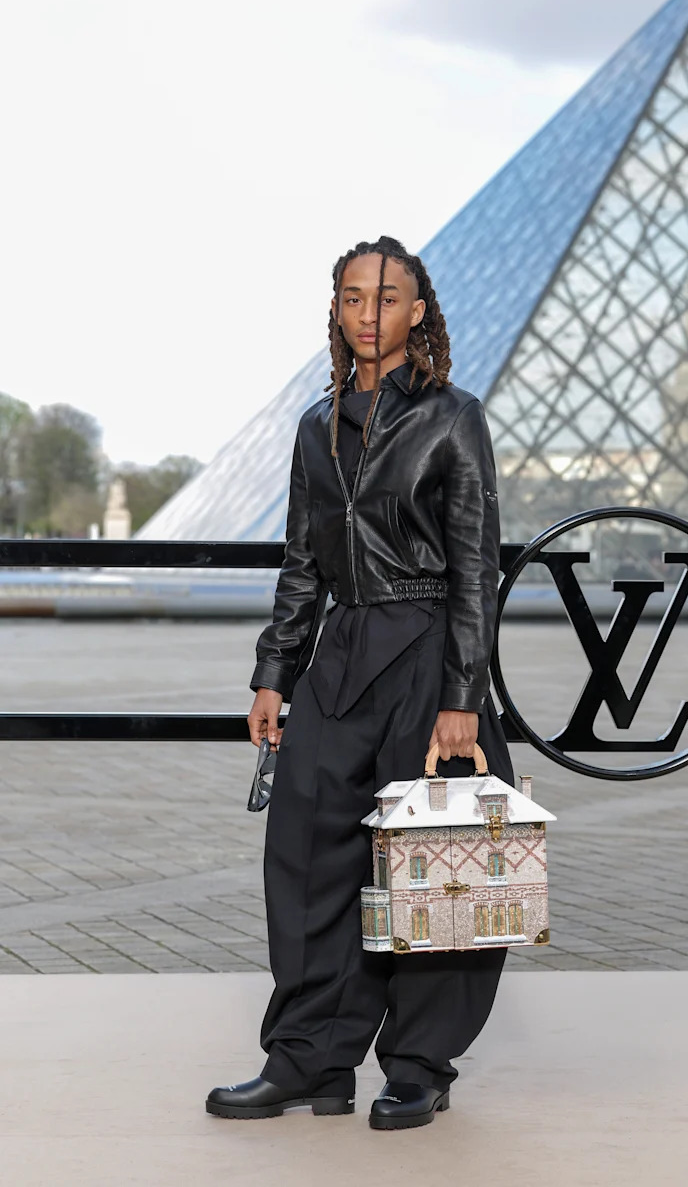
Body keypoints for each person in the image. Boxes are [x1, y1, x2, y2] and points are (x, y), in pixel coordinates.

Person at [205, 235, 515, 1131]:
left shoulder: (454, 417)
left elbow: (476, 566)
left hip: (426, 650)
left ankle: (419, 1064)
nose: (367, 313)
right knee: (306, 855)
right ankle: (308, 1057)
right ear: (335, 309)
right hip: (341, 650)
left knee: (434, 861)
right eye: (351, 297)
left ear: (417, 312)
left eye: (385, 297)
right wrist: (275, 673)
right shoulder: (316, 425)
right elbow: (301, 562)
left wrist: (462, 697)